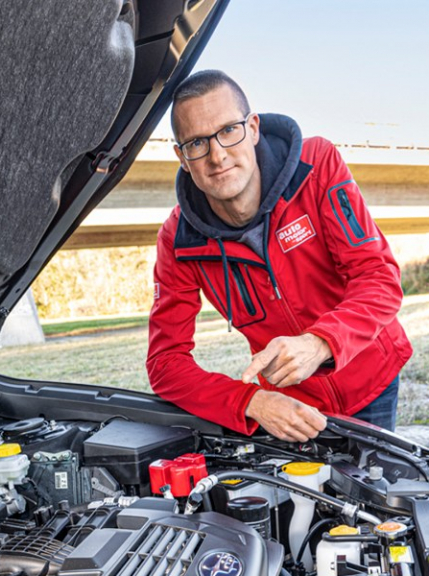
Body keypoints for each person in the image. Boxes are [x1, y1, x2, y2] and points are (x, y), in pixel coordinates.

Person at [146, 71, 412, 441]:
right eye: (196, 143)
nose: (217, 155)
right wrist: (252, 402)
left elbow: (378, 276)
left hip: (370, 376)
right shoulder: (178, 240)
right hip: (292, 407)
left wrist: (320, 343)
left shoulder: (316, 166)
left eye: (228, 131)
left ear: (253, 128)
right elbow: (165, 363)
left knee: (377, 490)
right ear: (182, 156)